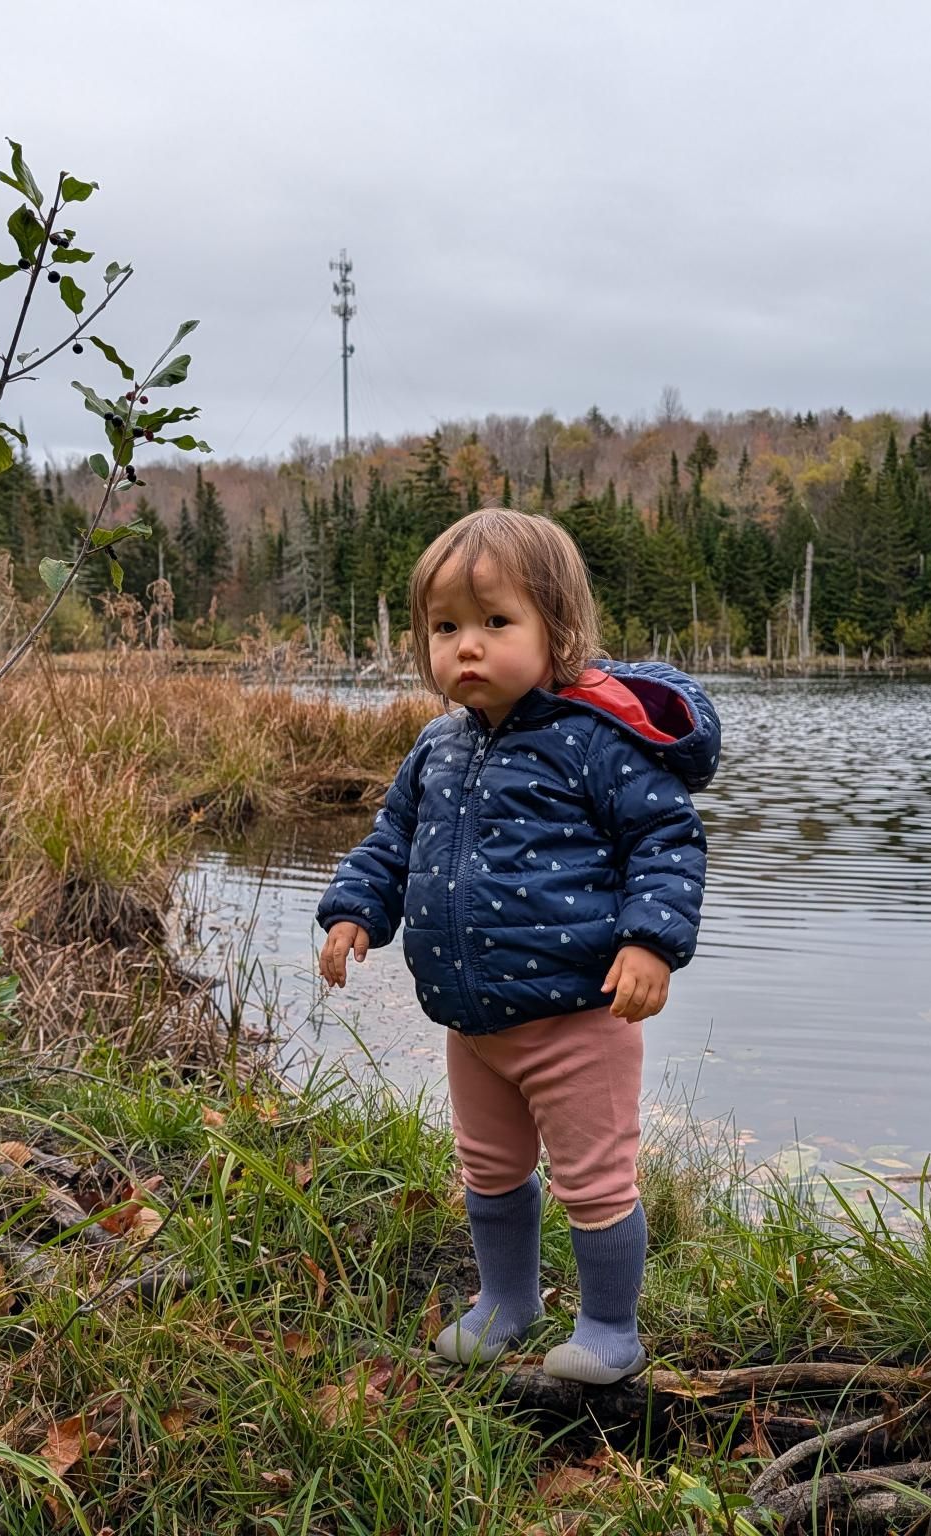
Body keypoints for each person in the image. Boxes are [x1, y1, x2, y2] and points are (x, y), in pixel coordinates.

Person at [317, 507, 719, 1384]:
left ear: (558, 632)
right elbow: (392, 841)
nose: (468, 645)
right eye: (446, 626)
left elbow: (666, 840)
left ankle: (610, 1327)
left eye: (496, 622)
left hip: (580, 1014)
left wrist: (650, 942)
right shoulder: (436, 747)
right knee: (490, 1169)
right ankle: (508, 1303)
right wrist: (354, 907)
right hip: (475, 1022)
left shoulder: (595, 742)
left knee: (595, 1180)